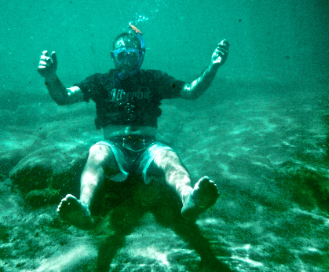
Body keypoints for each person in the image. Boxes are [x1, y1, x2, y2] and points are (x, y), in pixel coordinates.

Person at [37, 25, 229, 230]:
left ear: (141, 56)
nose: (127, 61)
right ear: (113, 57)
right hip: (113, 147)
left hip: (149, 147)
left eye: (132, 55)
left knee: (169, 158)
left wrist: (213, 67)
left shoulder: (154, 79)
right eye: (121, 56)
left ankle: (189, 198)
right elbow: (64, 97)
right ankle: (84, 206)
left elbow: (191, 91)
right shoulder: (100, 82)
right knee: (96, 152)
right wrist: (50, 77)